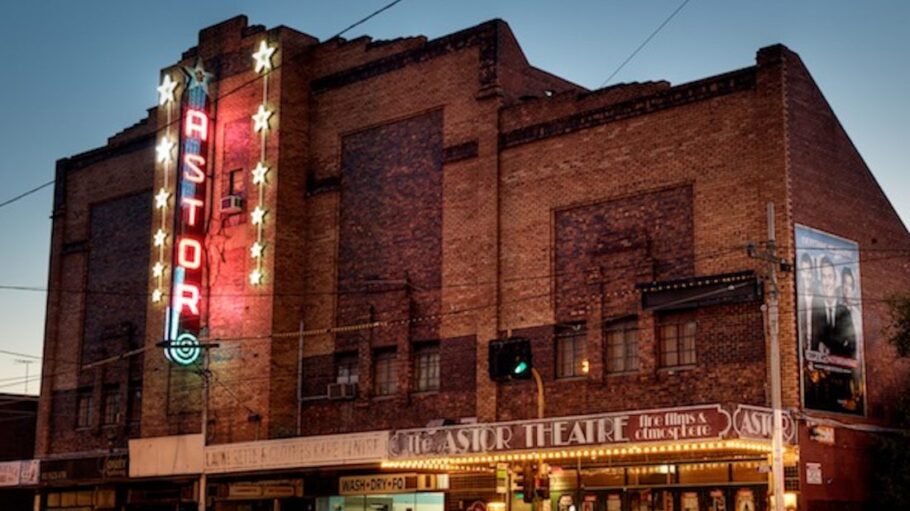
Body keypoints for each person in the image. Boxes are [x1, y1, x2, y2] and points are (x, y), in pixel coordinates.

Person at [811, 257, 856, 358]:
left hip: (842, 367)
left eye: (830, 277)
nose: (827, 283)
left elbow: (852, 344)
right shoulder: (816, 311)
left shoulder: (844, 312)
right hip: (820, 368)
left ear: (835, 280)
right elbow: (813, 340)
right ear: (820, 280)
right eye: (824, 277)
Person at [796, 253, 816, 352]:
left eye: (809, 272)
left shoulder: (817, 299)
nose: (807, 276)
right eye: (804, 271)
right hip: (802, 348)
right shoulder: (798, 297)